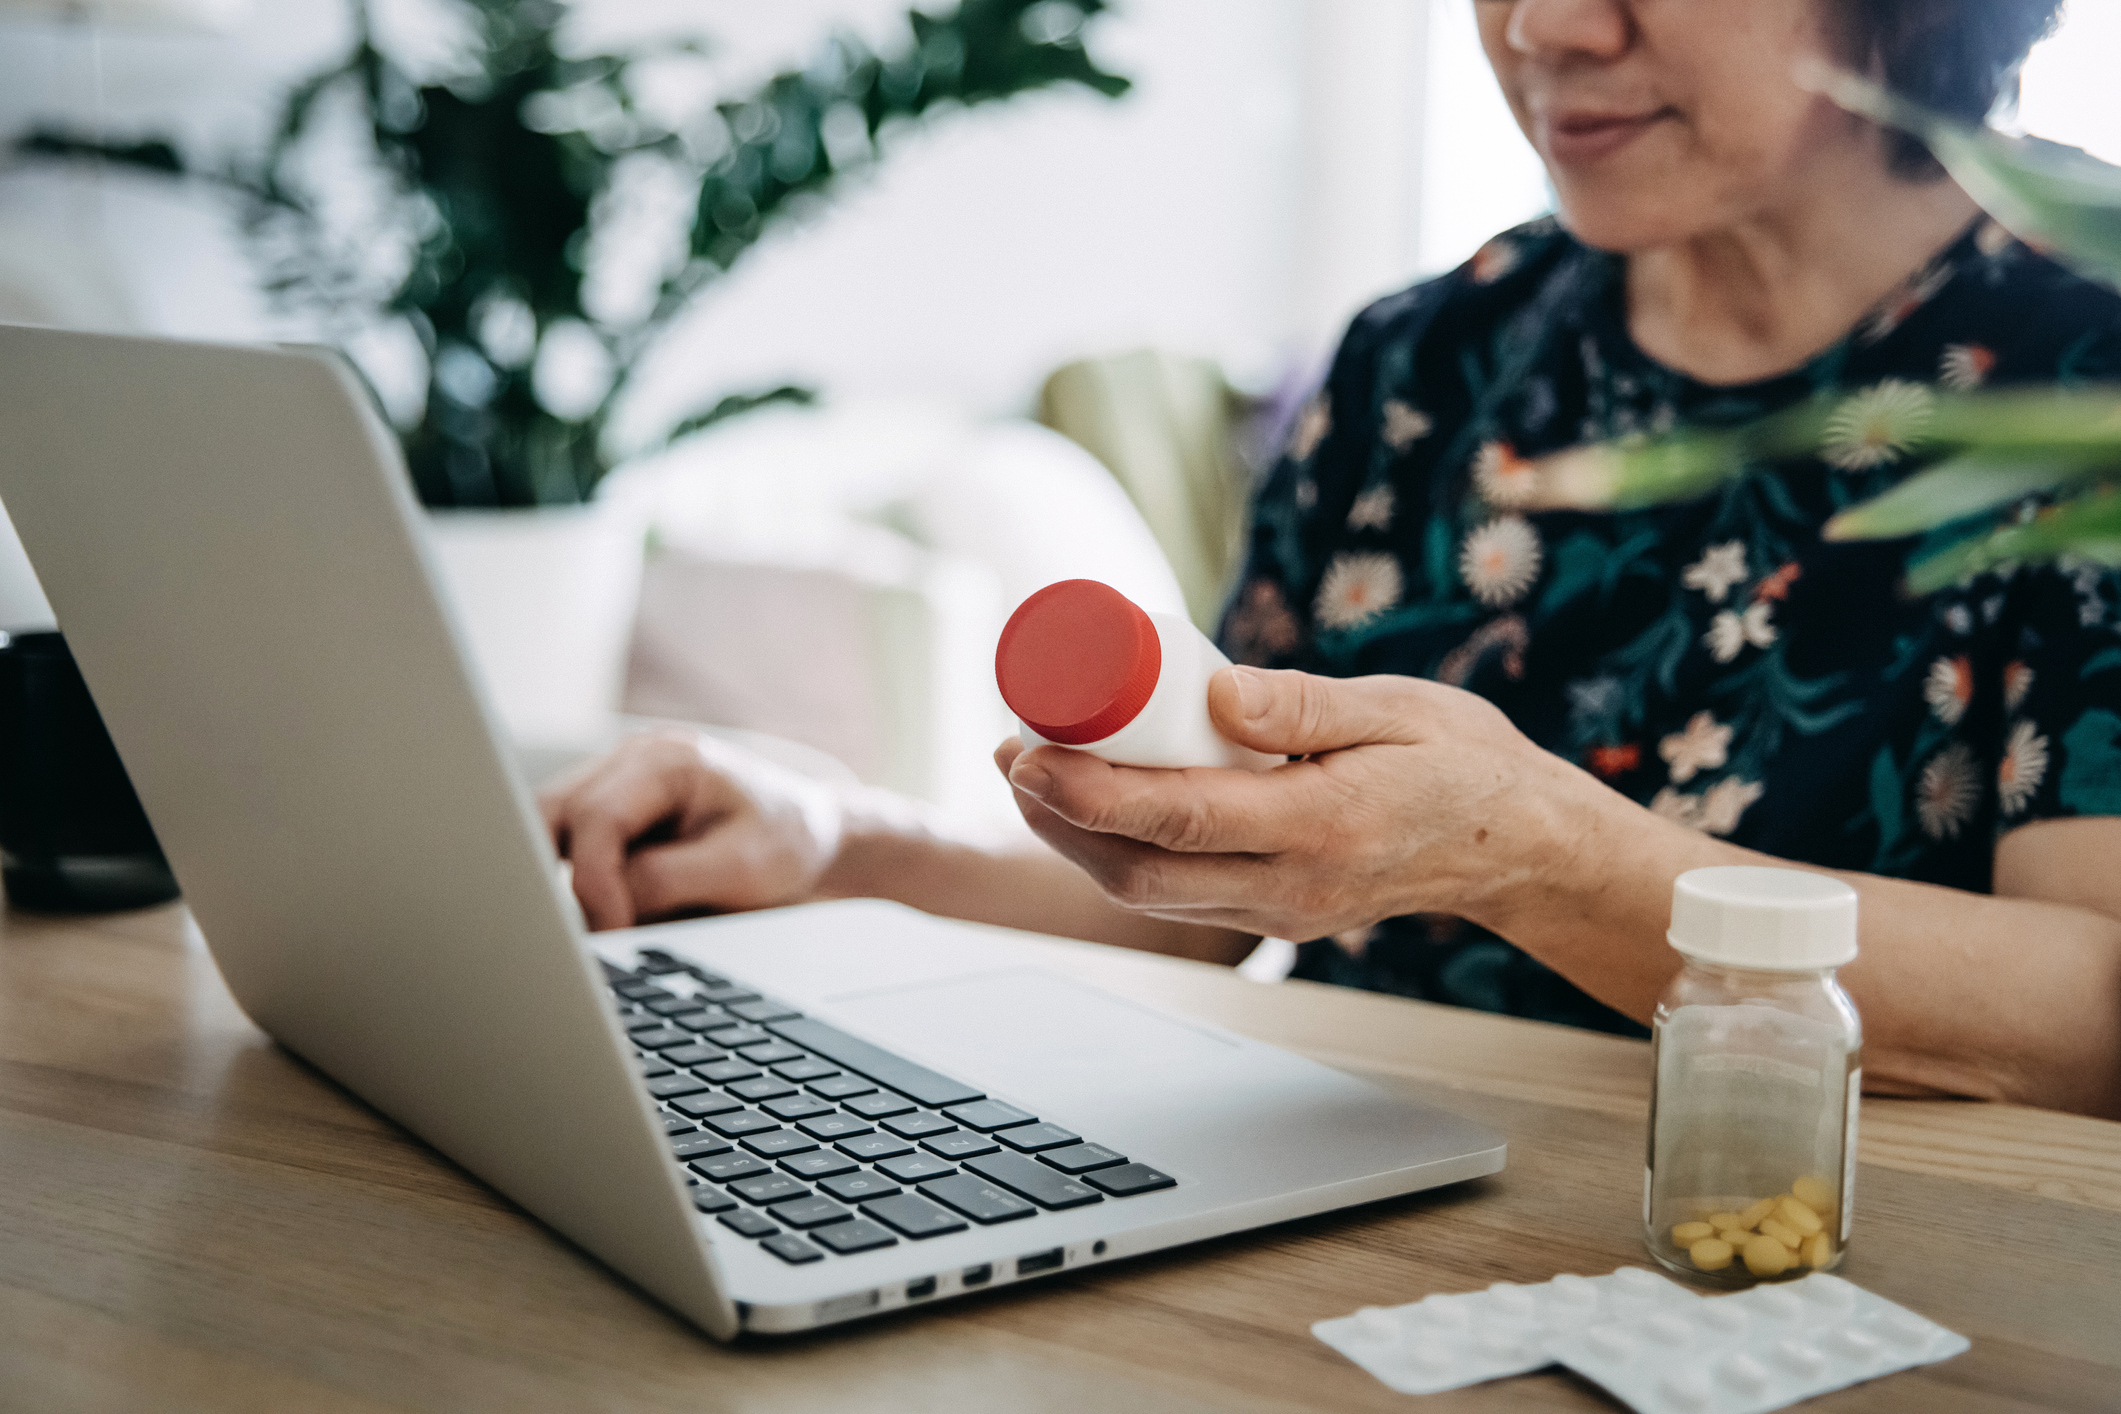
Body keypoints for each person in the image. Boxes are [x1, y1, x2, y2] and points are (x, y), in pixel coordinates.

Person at [541, 0, 2121, 1119]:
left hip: (1814, 1269)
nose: (1544, 27)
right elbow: (1215, 893)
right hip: (1360, 1218)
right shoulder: (1428, 357)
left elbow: (2091, 1016)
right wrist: (832, 843)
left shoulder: (2086, 375)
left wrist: (1541, 854)